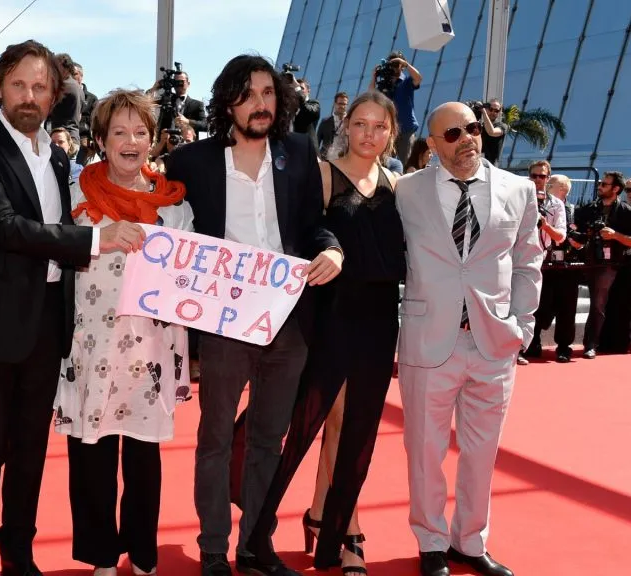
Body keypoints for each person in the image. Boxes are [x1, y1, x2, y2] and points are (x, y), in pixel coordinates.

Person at [0, 39, 145, 576]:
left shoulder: (58, 158)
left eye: (40, 87)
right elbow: (2, 227)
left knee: (31, 454)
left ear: (56, 94)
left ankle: (19, 553)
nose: (29, 96)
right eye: (19, 85)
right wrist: (96, 241)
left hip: (47, 328)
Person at [166, 54, 343, 576]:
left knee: (270, 439)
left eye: (268, 93)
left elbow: (315, 225)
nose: (260, 104)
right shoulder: (192, 162)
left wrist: (331, 249)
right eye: (247, 95)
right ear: (227, 103)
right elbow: (171, 230)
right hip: (222, 323)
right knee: (216, 439)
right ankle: (215, 549)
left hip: (289, 318)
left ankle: (255, 545)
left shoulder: (297, 151)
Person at [235, 90, 405, 576]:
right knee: (330, 419)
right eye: (360, 124)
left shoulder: (398, 183)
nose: (369, 134)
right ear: (344, 126)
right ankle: (346, 528)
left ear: (391, 133)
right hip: (332, 315)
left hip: (378, 320)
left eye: (379, 126)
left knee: (356, 425)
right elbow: (307, 230)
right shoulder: (325, 175)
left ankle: (317, 513)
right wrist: (329, 246)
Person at [396, 102, 542, 576]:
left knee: (483, 452)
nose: (468, 141)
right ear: (433, 145)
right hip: (428, 340)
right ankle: (432, 542)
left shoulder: (518, 189)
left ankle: (470, 542)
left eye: (473, 130)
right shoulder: (405, 191)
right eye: (453, 134)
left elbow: (527, 261)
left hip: (493, 341)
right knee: (425, 452)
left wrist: (523, 325)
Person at [53, 88, 192, 576]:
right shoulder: (74, 196)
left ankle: (144, 554)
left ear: (152, 141)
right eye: (119, 132)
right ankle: (101, 557)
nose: (130, 141)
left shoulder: (173, 205)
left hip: (152, 345)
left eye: (140, 132)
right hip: (91, 342)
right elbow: (55, 254)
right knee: (91, 453)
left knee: (142, 456)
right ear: (100, 139)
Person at [571, 171, 631, 359]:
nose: (599, 186)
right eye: (600, 183)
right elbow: (576, 231)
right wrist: (577, 239)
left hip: (607, 264)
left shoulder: (625, 211)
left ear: (616, 189)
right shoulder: (588, 209)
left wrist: (615, 235)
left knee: (598, 304)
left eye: (604, 184)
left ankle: (590, 344)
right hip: (583, 260)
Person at [521, 160, 566, 362]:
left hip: (541, 258)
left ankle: (529, 344)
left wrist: (545, 226)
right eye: (534, 176)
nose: (538, 180)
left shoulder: (556, 204)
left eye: (542, 176)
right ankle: (519, 348)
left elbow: (560, 237)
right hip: (516, 257)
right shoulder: (519, 198)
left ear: (548, 178)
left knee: (538, 306)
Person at [370, 51, 422, 163]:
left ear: (402, 66)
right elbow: (371, 95)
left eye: (396, 64)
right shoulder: (385, 84)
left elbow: (418, 78)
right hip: (390, 131)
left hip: (406, 130)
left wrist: (406, 64)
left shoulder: (407, 82)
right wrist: (374, 77)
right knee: (387, 163)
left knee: (406, 162)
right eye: (391, 64)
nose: (394, 67)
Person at [47, 52, 85, 144]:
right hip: (72, 138)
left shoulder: (65, 87)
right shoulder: (77, 87)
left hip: (62, 140)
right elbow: (79, 116)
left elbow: (46, 109)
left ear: (64, 67)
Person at [317, 92, 348, 158]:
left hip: (344, 160)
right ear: (335, 104)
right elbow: (317, 142)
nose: (342, 106)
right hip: (326, 160)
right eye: (340, 104)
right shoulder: (325, 122)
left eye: (344, 104)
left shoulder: (351, 122)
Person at [478, 99, 508, 166]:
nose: (493, 112)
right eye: (491, 109)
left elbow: (491, 132)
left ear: (499, 112)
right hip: (479, 163)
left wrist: (484, 113)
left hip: (491, 165)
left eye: (496, 111)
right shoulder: (480, 126)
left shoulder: (502, 126)